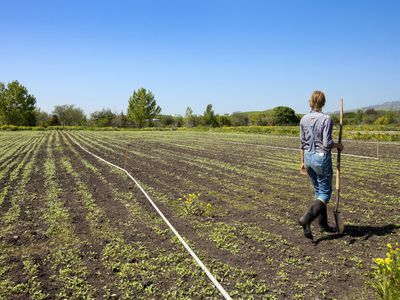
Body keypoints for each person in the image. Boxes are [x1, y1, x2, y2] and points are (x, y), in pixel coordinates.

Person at [298, 91, 344, 240]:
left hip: (308, 158)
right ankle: (306, 219)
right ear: (323, 102)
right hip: (321, 158)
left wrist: (302, 162)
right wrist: (338, 145)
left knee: (318, 192)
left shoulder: (304, 119)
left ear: (310, 101)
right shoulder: (326, 119)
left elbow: (302, 143)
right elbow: (327, 143)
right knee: (324, 193)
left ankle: (323, 224)